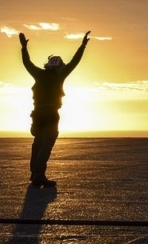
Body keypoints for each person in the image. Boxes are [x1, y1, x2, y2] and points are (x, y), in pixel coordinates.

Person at [19, 30, 90, 187]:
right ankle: (38, 174)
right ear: (59, 66)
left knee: (37, 142)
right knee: (46, 144)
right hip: (51, 113)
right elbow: (74, 62)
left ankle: (35, 174)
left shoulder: (38, 73)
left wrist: (23, 48)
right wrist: (83, 45)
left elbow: (27, 63)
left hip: (36, 114)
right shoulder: (59, 74)